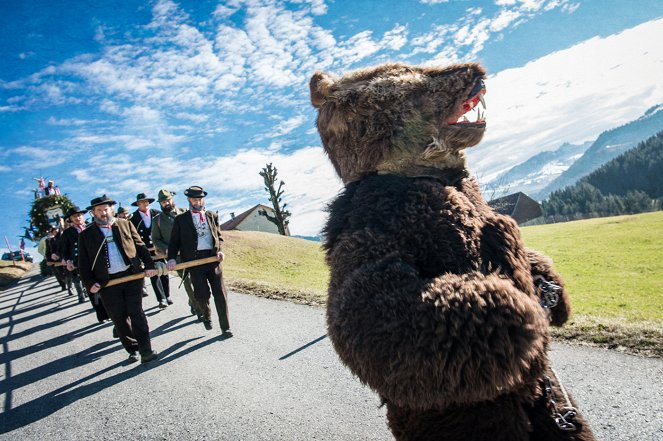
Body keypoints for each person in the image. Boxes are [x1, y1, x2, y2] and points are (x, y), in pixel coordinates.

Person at [78, 195, 159, 364]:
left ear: (112, 209)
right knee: (119, 318)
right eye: (98, 210)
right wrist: (89, 283)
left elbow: (140, 246)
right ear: (93, 213)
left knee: (136, 313)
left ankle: (146, 350)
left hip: (132, 276)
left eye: (106, 209)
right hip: (107, 283)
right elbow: (83, 263)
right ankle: (132, 348)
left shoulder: (125, 224)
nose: (103, 213)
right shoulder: (86, 235)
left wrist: (150, 265)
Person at [167, 186, 232, 337]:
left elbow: (218, 236)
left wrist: (220, 249)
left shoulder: (211, 215)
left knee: (221, 294)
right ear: (189, 200)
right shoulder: (180, 220)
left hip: (212, 260)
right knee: (202, 295)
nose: (198, 201)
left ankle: (225, 327)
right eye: (195, 199)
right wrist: (171, 258)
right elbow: (174, 242)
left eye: (200, 198)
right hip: (194, 263)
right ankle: (206, 315)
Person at [151, 189, 203, 320]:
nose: (166, 203)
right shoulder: (157, 220)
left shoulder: (185, 212)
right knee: (188, 280)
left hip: (192, 253)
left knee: (198, 279)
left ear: (172, 199)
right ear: (160, 204)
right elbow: (156, 239)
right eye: (163, 202)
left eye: (168, 200)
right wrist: (167, 249)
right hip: (176, 257)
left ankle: (192, 301)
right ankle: (199, 308)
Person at [130, 192, 172, 309]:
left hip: (159, 246)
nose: (145, 204)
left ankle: (167, 295)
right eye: (142, 202)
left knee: (164, 270)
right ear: (138, 204)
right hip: (145, 249)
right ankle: (161, 298)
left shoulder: (157, 214)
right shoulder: (133, 218)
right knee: (153, 272)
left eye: (146, 201)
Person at [60, 206, 90, 304]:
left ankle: (95, 297)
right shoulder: (67, 232)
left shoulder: (91, 226)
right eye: (74, 216)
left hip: (93, 258)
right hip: (76, 260)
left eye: (79, 215)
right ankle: (81, 295)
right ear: (70, 219)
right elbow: (64, 249)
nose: (77, 218)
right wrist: (68, 261)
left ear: (83, 216)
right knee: (77, 279)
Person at [45, 226, 67, 292]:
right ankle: (63, 285)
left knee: (68, 273)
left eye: (56, 230)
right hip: (55, 259)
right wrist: (49, 259)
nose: (55, 232)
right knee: (59, 274)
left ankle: (70, 286)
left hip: (64, 257)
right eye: (53, 231)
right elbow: (48, 250)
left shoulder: (63, 236)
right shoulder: (48, 240)